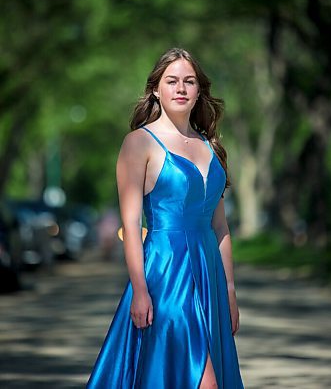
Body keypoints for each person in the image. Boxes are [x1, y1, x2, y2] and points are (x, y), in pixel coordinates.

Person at [87, 48, 244, 388]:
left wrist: (230, 290)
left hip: (210, 277)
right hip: (164, 275)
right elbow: (130, 226)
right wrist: (140, 290)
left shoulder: (211, 146)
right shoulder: (138, 144)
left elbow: (220, 227)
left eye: (189, 81)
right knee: (202, 380)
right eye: (171, 81)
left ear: (199, 90)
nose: (181, 88)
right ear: (156, 89)